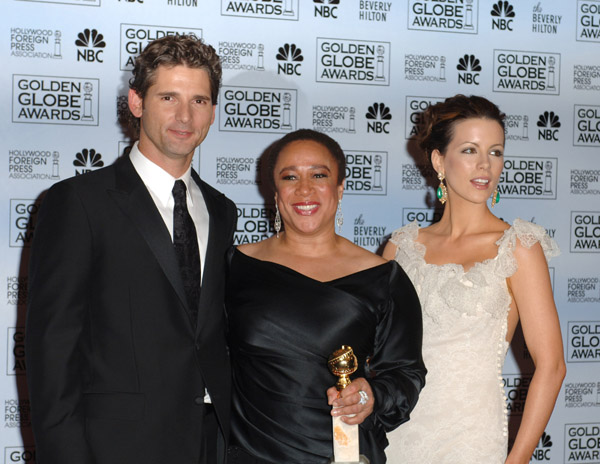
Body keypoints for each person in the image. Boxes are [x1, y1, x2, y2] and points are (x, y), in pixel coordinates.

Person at [25, 35, 236, 464]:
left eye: (198, 101)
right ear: (137, 102)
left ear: (213, 112)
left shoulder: (222, 209)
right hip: (117, 446)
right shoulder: (79, 201)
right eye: (168, 97)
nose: (184, 116)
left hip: (212, 443)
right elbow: (53, 348)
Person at [383, 95, 566, 464]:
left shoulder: (518, 246)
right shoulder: (401, 247)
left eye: (495, 152)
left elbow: (552, 367)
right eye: (470, 150)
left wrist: (518, 459)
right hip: (395, 433)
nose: (485, 164)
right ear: (439, 160)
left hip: (470, 441)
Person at [225, 129, 426, 464]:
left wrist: (370, 395)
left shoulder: (382, 278)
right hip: (250, 453)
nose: (304, 189)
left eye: (319, 175)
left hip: (341, 453)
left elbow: (406, 374)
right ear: (275, 191)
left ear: (340, 187)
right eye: (290, 177)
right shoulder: (235, 266)